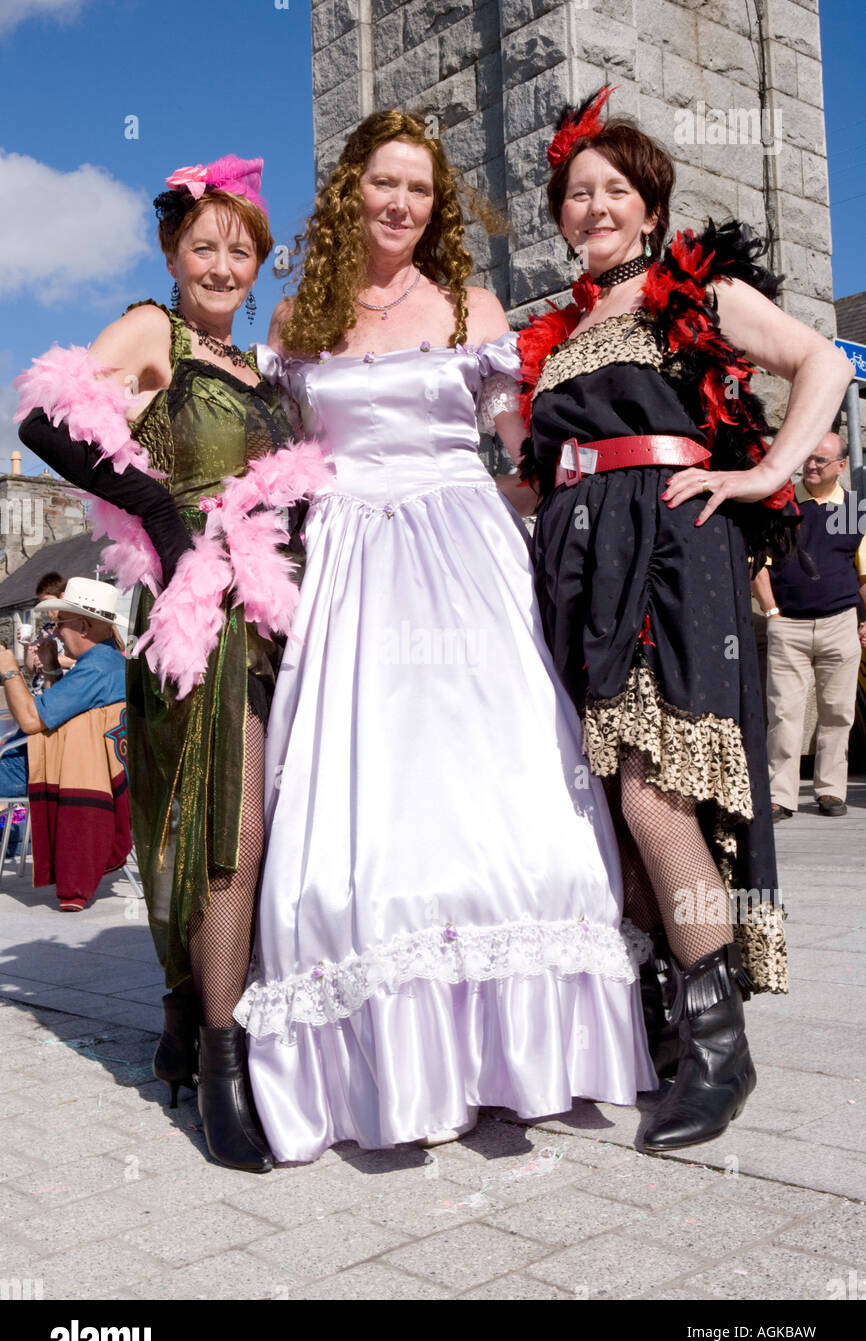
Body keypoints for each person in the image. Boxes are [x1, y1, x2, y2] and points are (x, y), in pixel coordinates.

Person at [235, 109, 656, 1166]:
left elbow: (525, 431)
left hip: (462, 547)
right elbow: (276, 460)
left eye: (420, 189)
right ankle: (387, 1056)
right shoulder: (295, 317)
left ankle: (520, 1055)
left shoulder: (468, 303)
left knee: (495, 784)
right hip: (348, 566)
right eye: (385, 182)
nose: (402, 203)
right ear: (349, 190)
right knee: (366, 797)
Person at [518, 88, 854, 1153]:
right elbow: (535, 477)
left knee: (655, 789)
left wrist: (760, 471)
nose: (594, 206)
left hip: (669, 550)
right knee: (609, 803)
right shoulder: (561, 332)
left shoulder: (691, 295)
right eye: (577, 194)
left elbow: (825, 361)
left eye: (614, 189)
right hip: (575, 559)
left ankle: (718, 1047)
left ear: (651, 208)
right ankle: (666, 1016)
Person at [16, 155, 327, 1172]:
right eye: (206, 245)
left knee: (262, 818)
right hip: (197, 610)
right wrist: (156, 507)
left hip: (279, 608)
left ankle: (189, 1007)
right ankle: (221, 1062)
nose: (224, 263)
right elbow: (43, 416)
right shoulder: (154, 330)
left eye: (242, 249)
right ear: (172, 252)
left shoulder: (264, 367)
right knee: (217, 815)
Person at [753, 433, 866, 820]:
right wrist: (771, 613)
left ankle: (831, 791)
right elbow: (758, 566)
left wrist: (864, 621)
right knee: (784, 713)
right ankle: (779, 796)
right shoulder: (779, 507)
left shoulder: (856, 509)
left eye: (821, 460)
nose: (811, 465)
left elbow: (864, 574)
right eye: (808, 458)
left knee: (838, 712)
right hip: (788, 626)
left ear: (840, 467)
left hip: (841, 623)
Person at [0, 577, 130, 909]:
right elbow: (70, 716)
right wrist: (51, 670)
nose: (55, 633)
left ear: (84, 626)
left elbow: (31, 721)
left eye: (60, 625)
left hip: (52, 772)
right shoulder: (108, 660)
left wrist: (9, 670)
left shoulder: (96, 669)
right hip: (79, 769)